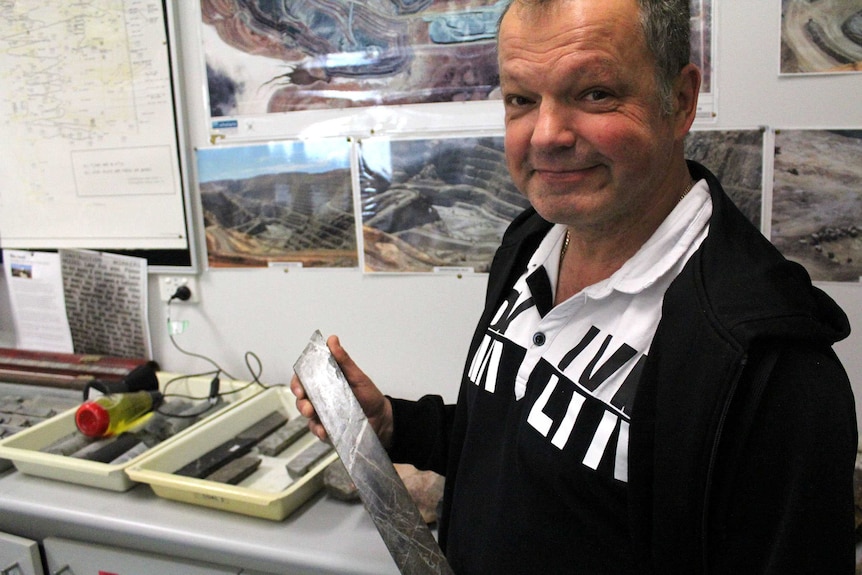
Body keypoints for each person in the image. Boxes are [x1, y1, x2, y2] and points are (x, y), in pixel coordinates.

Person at [292, 0, 858, 572]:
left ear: (680, 100)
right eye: (521, 99)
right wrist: (394, 423)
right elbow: (516, 434)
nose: (546, 136)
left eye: (594, 94)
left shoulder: (770, 368)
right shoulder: (532, 241)